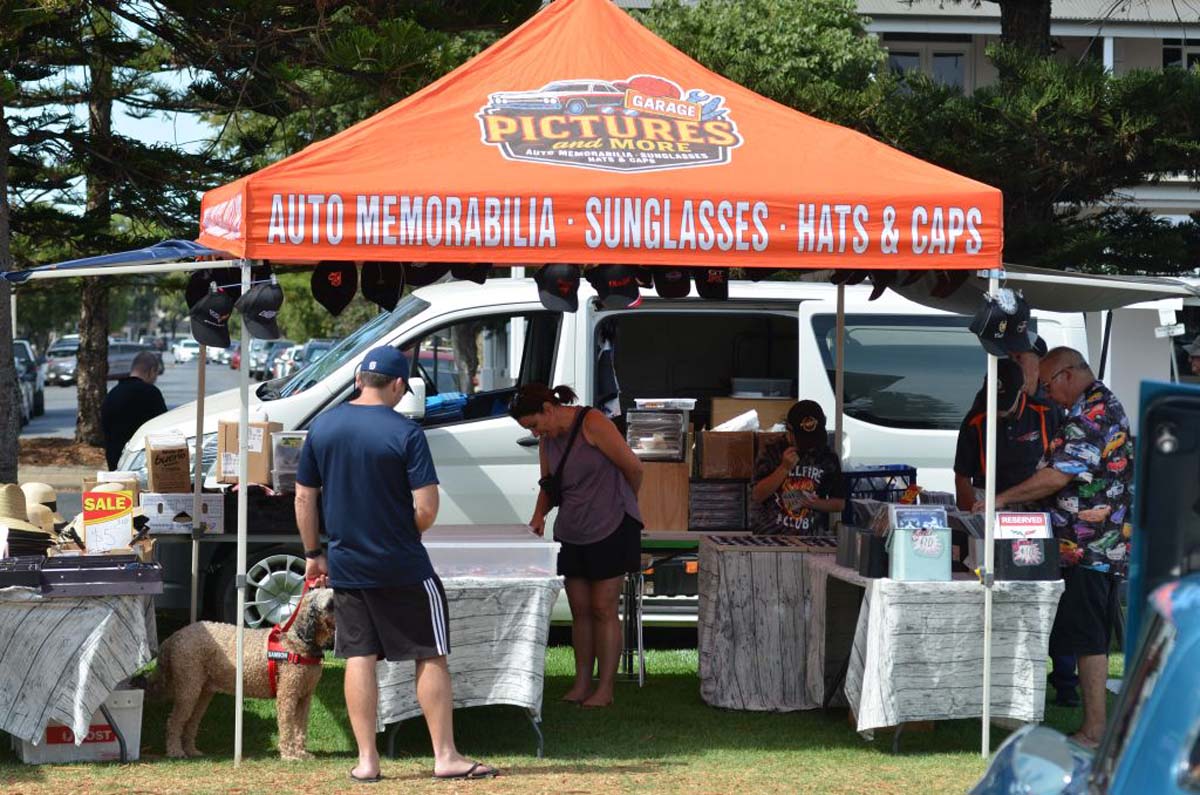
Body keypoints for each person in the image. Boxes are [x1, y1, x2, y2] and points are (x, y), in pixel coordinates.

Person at [295, 346, 496, 782]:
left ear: (358, 381)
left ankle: (367, 761)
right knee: (430, 652)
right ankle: (445, 755)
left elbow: (304, 497)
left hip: (347, 565)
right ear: (399, 385)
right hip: (402, 565)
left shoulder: (322, 427)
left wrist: (313, 553)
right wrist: (402, 533)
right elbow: (426, 507)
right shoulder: (406, 432)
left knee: (359, 656)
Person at [982, 347, 1133, 749]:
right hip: (1080, 546)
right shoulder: (1088, 408)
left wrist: (1001, 498)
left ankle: (1095, 730)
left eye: (1048, 386)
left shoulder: (1093, 414)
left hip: (1090, 548)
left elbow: (1057, 477)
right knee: (1085, 636)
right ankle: (1092, 725)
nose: (1047, 395)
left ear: (1067, 375)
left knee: (1089, 640)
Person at [509, 383, 643, 708]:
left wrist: (624, 501)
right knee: (580, 610)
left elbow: (634, 468)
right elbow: (548, 485)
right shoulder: (547, 441)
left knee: (603, 608)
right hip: (571, 531)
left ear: (548, 409)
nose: (535, 433)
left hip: (611, 526)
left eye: (535, 424)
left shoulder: (593, 422)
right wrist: (538, 517)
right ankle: (581, 683)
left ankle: (605, 688)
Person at [953, 358, 1059, 512]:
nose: (997, 408)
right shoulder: (974, 420)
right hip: (988, 498)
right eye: (993, 400)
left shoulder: (1046, 412)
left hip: (1036, 498)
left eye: (1005, 401)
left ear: (1022, 389)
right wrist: (974, 515)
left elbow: (1060, 469)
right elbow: (962, 476)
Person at [750, 400, 846, 535]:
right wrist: (784, 468)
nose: (810, 446)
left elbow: (839, 503)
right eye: (804, 441)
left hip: (809, 538)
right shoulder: (772, 450)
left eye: (814, 439)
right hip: (771, 535)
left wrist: (810, 502)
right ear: (789, 432)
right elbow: (757, 495)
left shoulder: (827, 456)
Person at [100, 350, 167, 470]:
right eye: (156, 374)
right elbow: (163, 429)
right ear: (152, 371)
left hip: (115, 463)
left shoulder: (112, 394)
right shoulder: (151, 393)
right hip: (141, 464)